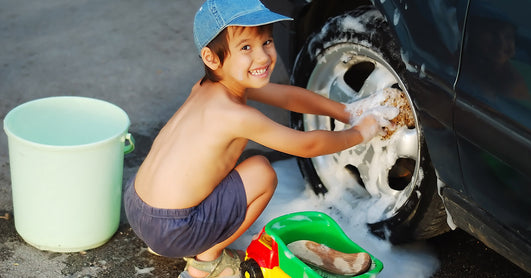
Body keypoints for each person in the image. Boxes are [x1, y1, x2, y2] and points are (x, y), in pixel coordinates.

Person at [124, 0, 396, 277]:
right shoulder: (235, 115)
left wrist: (348, 112)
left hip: (137, 204)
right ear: (211, 57)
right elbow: (307, 145)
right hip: (173, 229)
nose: (264, 56)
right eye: (246, 48)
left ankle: (173, 240)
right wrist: (361, 132)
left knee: (213, 163)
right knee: (261, 172)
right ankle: (206, 262)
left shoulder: (209, 87)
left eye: (266, 41)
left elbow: (287, 96)